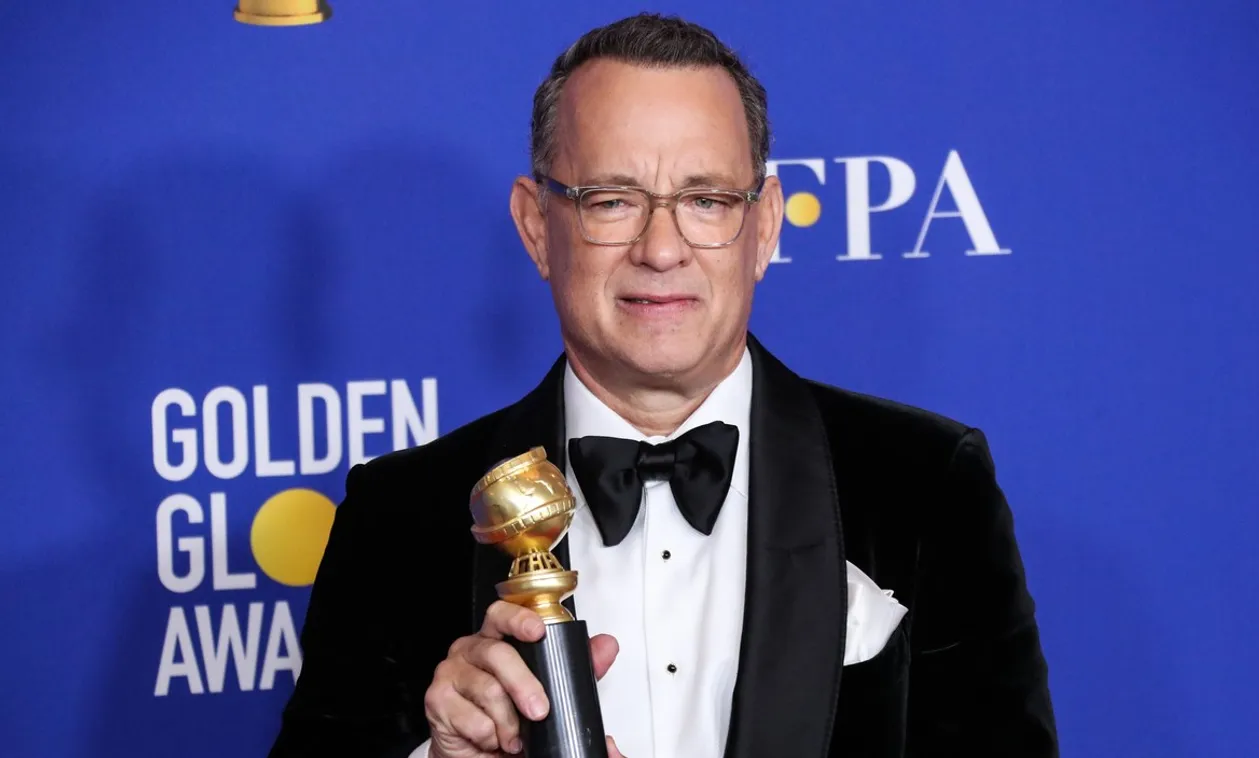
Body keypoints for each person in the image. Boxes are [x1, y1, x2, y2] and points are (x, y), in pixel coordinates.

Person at [267, 13, 1057, 758]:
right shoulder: (400, 516)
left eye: (705, 200)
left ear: (765, 226)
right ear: (537, 226)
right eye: (611, 201)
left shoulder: (924, 483)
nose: (661, 248)